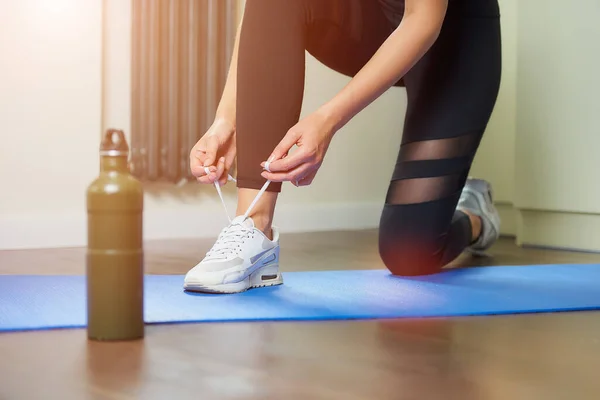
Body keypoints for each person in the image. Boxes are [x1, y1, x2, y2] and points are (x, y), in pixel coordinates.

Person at [184, 0, 502, 293]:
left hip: (455, 42)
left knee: (407, 252)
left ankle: (474, 214)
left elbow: (422, 20)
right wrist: (227, 119)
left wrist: (328, 119)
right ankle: (254, 229)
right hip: (376, 22)